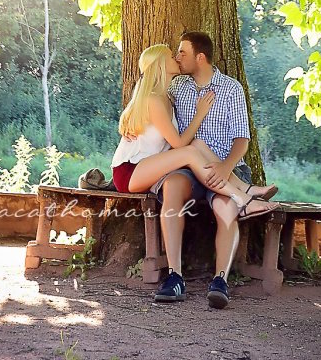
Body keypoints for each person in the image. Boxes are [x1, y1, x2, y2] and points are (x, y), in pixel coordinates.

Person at [110, 41, 276, 308]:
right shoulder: (157, 96)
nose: (176, 57)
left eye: (181, 53)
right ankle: (243, 198)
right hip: (131, 171)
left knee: (197, 147)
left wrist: (225, 164)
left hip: (187, 163)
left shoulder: (168, 93)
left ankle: (244, 197)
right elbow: (178, 145)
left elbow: (236, 138)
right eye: (171, 55)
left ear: (200, 57)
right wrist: (200, 114)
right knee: (190, 150)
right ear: (160, 66)